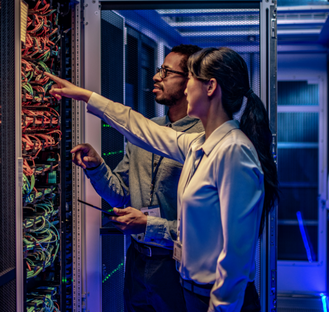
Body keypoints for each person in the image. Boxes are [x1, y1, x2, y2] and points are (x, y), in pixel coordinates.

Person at [46, 46, 279, 312]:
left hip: (216, 299)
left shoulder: (234, 151)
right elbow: (141, 128)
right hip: (191, 290)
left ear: (210, 86)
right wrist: (87, 97)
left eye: (190, 78)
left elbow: (237, 255)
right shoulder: (198, 144)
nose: (187, 87)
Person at [66, 44, 203, 312]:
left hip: (177, 265)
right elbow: (120, 193)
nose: (156, 76)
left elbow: (204, 228)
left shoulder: (202, 140)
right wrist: (96, 166)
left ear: (190, 82)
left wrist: (149, 224)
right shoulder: (147, 132)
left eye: (166, 71)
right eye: (158, 69)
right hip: (138, 261)